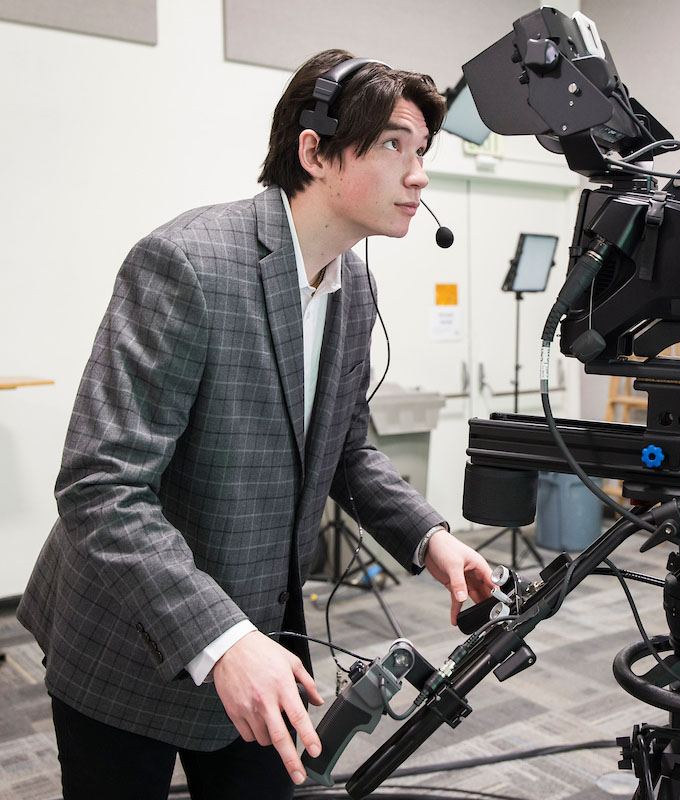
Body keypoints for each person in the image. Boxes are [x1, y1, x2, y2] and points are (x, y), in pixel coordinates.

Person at [17, 49, 495, 800]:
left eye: (423, 150)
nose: (420, 174)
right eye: (394, 145)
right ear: (316, 152)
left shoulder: (352, 284)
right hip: (130, 637)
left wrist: (427, 536)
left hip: (264, 638)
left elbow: (345, 447)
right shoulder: (187, 263)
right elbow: (99, 485)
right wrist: (221, 637)